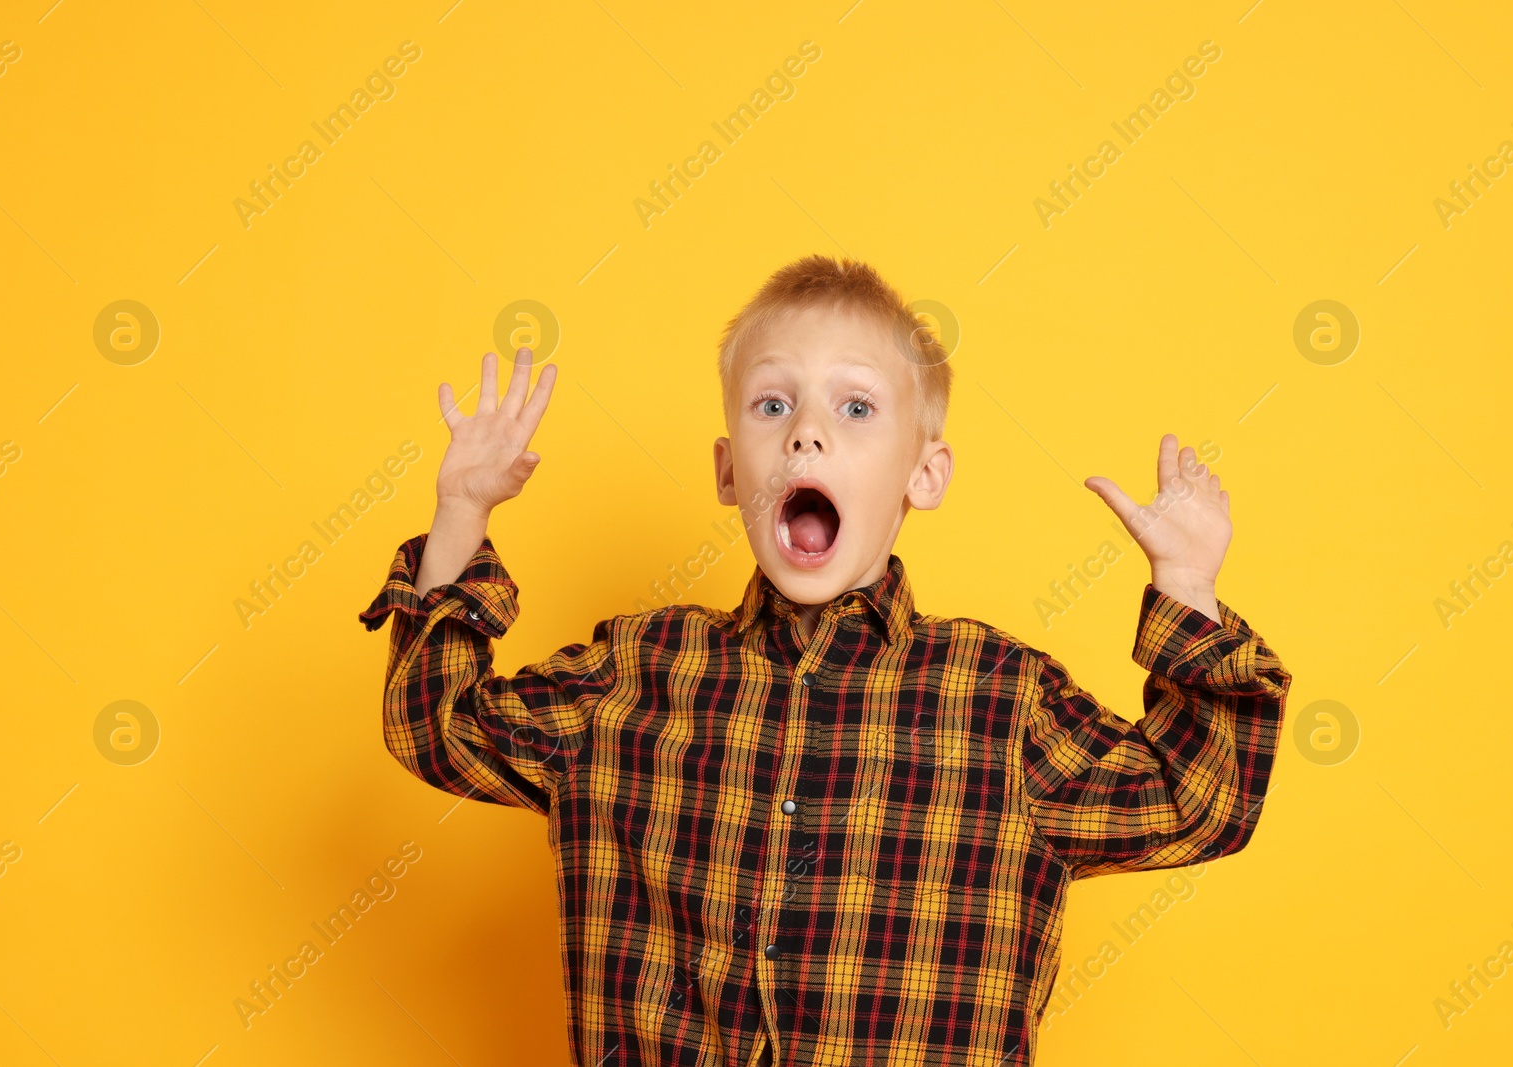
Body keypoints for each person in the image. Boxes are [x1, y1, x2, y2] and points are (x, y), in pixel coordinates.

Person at [358, 254, 1291, 1066]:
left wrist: (1186, 583)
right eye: (774, 403)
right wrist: (460, 514)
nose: (807, 431)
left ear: (923, 474)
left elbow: (1198, 800)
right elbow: (436, 726)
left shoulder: (1004, 703)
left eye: (854, 406)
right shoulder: (633, 675)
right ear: (731, 471)